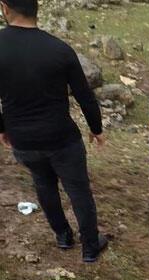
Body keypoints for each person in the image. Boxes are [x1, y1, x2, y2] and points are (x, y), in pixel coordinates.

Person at [0, 0, 108, 262]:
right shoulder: (60, 49)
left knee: (43, 183)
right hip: (61, 137)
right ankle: (90, 247)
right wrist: (96, 129)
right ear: (36, 9)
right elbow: (85, 97)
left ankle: (62, 235)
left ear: (5, 8)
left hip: (22, 138)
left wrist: (3, 128)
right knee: (79, 190)